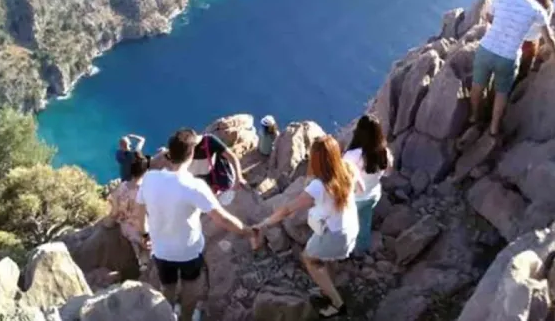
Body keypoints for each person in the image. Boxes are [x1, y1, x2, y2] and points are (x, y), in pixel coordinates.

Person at [135, 129, 257, 321]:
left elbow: (139, 212)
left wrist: (144, 235)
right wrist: (247, 231)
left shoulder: (149, 179)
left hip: (160, 251)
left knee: (167, 286)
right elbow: (222, 219)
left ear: (168, 154)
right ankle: (185, 317)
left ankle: (167, 315)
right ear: (191, 155)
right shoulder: (195, 186)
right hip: (188, 252)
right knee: (191, 287)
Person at [459, 0, 555, 148]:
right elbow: (548, 37)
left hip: (486, 49)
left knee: (477, 86)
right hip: (508, 57)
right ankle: (494, 128)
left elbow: (488, 17)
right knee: (502, 93)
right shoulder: (537, 9)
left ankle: (474, 116)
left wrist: (501, 23)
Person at [254, 136, 359, 318]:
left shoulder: (318, 186)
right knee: (326, 256)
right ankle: (329, 277)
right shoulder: (348, 168)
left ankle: (336, 303)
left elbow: (287, 209)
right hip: (350, 225)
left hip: (335, 234)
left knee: (308, 258)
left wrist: (265, 223)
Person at [343, 115, 392, 255]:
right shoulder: (385, 153)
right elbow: (388, 173)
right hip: (373, 195)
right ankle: (361, 249)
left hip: (354, 200)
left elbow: (343, 179)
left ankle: (344, 249)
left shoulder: (352, 155)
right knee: (365, 221)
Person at [105, 152, 151, 271]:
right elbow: (143, 222)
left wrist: (110, 222)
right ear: (146, 172)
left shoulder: (122, 186)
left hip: (125, 227)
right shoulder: (145, 191)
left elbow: (114, 212)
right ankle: (144, 265)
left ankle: (138, 258)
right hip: (141, 229)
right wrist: (146, 235)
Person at [516, 0, 555, 87]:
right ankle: (514, 95)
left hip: (517, 41)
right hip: (532, 44)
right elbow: (545, 27)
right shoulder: (549, 7)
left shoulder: (525, 3)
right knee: (523, 73)